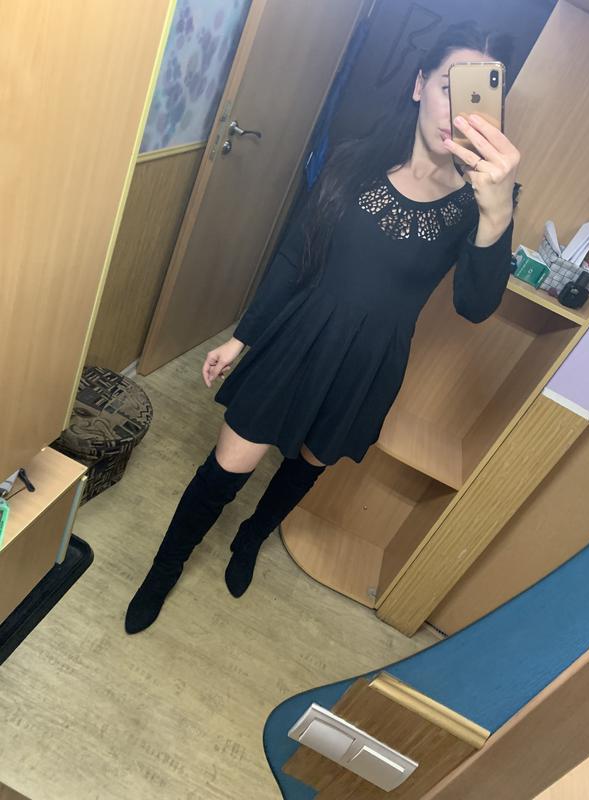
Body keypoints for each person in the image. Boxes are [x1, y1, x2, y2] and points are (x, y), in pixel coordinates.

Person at [125, 21, 520, 635]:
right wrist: (242, 336)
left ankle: (251, 538)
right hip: (299, 336)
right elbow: (294, 255)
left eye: (477, 97)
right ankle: (164, 569)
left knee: (303, 468)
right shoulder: (354, 158)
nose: (457, 112)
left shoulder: (480, 203)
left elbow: (474, 305)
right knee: (226, 470)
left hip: (369, 362)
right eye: (449, 87)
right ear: (420, 85)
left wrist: (497, 215)